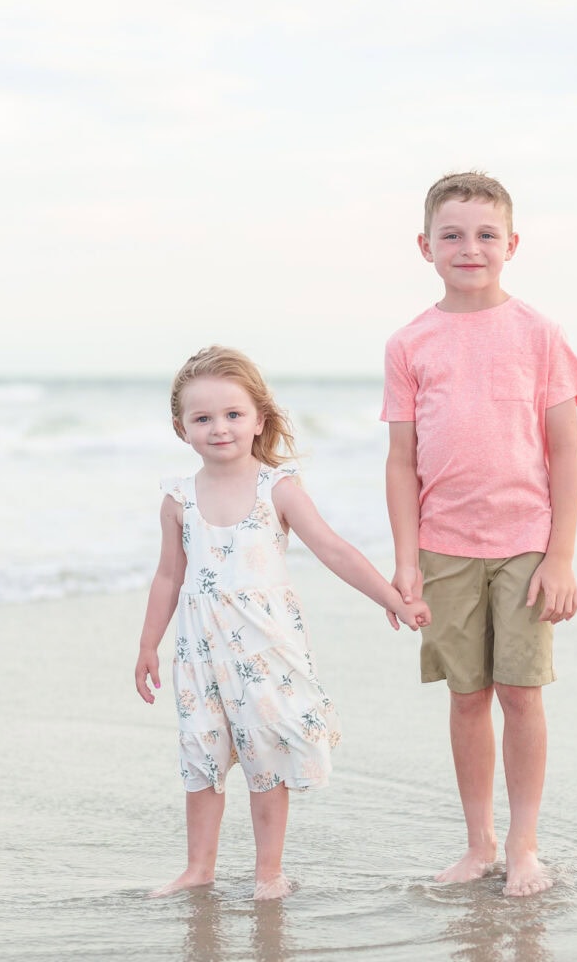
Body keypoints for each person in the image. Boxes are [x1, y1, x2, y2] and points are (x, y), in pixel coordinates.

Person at [135, 345, 431, 900]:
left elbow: (334, 550)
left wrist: (391, 598)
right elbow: (167, 579)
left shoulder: (278, 488)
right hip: (200, 653)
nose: (219, 428)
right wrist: (149, 643)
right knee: (202, 754)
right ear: (182, 429)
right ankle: (199, 868)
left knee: (264, 755)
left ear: (258, 420)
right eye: (202, 419)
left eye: (232, 415)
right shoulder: (178, 500)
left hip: (264, 650)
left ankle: (268, 872)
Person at [382, 171, 577, 897]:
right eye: (451, 235)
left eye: (483, 235)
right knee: (467, 696)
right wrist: (406, 562)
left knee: (521, 692)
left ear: (511, 244)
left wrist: (560, 555)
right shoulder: (410, 343)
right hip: (443, 546)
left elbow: (565, 450)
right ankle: (480, 846)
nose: (468, 247)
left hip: (526, 545)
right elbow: (401, 460)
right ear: (425, 246)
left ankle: (526, 847)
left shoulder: (540, 336)